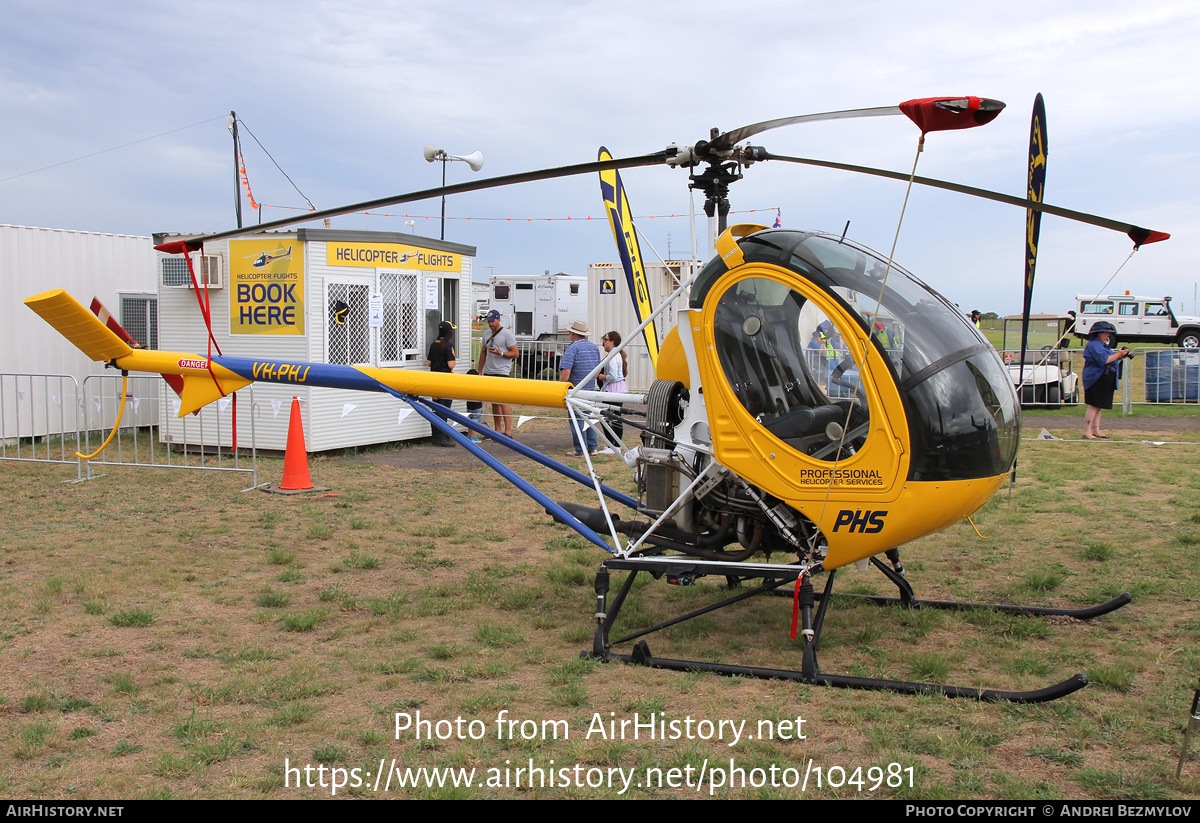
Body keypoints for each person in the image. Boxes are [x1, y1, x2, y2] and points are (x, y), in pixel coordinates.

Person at [1081, 320, 1131, 440]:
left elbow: (1110, 357)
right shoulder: (1093, 345)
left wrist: (1120, 355)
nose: (1108, 335)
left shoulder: (1102, 345)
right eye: (1106, 333)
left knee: (1099, 405)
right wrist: (1118, 355)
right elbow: (1104, 360)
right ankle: (1087, 431)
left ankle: (1096, 430)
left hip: (1104, 377)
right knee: (1094, 405)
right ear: (1098, 333)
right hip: (1095, 378)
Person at [559, 319, 601, 455]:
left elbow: (566, 371)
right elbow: (598, 369)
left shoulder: (572, 348)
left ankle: (580, 448)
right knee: (589, 417)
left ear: (572, 333)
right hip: (589, 388)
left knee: (577, 419)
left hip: (576, 388)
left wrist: (561, 388)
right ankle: (592, 447)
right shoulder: (594, 347)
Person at [476, 309, 518, 438]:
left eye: (493, 321)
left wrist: (501, 353)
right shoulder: (486, 334)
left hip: (502, 372)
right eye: (489, 321)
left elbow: (515, 353)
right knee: (494, 402)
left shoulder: (506, 334)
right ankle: (497, 431)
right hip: (489, 371)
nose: (490, 324)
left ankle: (508, 432)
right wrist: (480, 370)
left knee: (503, 401)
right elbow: (483, 352)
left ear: (499, 320)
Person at [425, 320, 456, 447]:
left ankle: (436, 436)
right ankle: (442, 436)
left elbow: (428, 363)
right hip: (445, 381)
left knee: (435, 409)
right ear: (449, 332)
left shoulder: (433, 344)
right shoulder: (448, 346)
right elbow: (451, 364)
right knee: (444, 409)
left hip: (434, 380)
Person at [598, 330, 628, 444]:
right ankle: (614, 443)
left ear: (612, 342)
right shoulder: (616, 354)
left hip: (613, 388)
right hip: (616, 388)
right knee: (614, 416)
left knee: (607, 416)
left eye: (605, 339)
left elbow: (613, 376)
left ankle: (613, 444)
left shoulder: (613, 356)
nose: (603, 342)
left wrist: (601, 376)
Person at [465, 368, 484, 443]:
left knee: (470, 421)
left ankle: (469, 436)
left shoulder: (468, 387)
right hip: (477, 407)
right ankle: (473, 437)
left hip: (469, 407)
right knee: (475, 422)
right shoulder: (477, 387)